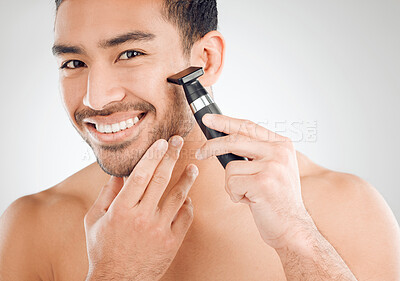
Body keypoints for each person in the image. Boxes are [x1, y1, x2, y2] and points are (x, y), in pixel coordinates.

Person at [0, 0, 399, 280]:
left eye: (130, 53)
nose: (95, 98)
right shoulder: (32, 226)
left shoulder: (343, 210)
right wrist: (117, 275)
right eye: (74, 63)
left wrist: (301, 243)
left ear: (205, 60)